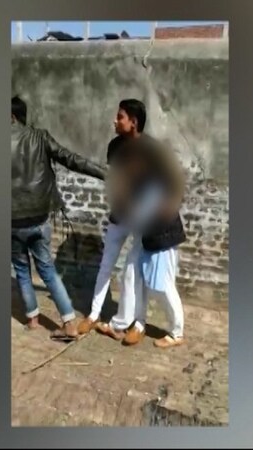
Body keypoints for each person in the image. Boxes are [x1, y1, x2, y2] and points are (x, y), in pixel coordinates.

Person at [11, 96, 106, 339]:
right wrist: (105, 174)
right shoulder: (40, 137)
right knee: (48, 271)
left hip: (12, 221)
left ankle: (32, 320)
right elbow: (71, 159)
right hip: (39, 218)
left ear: (11, 116)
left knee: (21, 270)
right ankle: (69, 323)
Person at [96, 124, 188, 348]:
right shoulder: (141, 183)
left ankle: (177, 333)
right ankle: (124, 323)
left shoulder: (155, 183)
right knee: (131, 274)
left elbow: (144, 214)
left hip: (162, 239)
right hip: (149, 239)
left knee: (163, 286)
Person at [76, 99, 149, 336]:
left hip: (141, 219)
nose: (115, 121)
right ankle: (93, 314)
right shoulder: (115, 146)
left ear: (133, 122)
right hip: (119, 214)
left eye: (120, 117)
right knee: (106, 264)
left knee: (137, 271)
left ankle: (139, 323)